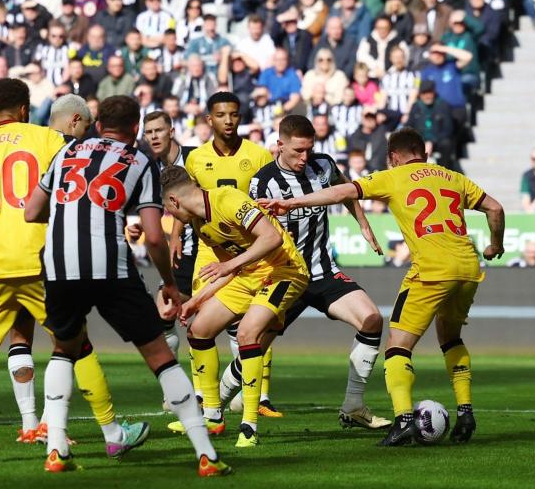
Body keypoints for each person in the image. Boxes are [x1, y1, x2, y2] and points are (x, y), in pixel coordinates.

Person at [258, 127, 506, 446]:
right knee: (450, 338)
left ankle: (403, 420)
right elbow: (495, 208)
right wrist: (494, 245)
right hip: (469, 267)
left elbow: (341, 192)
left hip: (431, 269)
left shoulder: (393, 177)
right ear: (424, 154)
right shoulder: (452, 176)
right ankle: (466, 412)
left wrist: (292, 204)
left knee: (397, 346)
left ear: (392, 158)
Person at [24, 95, 230, 476]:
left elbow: (31, 211)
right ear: (135, 128)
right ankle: (206, 455)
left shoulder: (65, 154)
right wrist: (168, 282)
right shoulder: (140, 161)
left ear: (98, 123)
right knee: (159, 355)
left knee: (63, 349)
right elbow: (154, 236)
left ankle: (56, 451)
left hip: (59, 266)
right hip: (109, 267)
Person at [0, 79, 118, 464]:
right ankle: (114, 431)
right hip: (38, 257)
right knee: (75, 344)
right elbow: (76, 182)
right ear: (22, 110)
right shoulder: (46, 138)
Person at [220, 115, 391, 430]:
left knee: (372, 319)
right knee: (254, 344)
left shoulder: (323, 165)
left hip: (322, 271)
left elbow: (345, 190)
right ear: (279, 145)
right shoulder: (263, 181)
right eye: (298, 151)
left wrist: (364, 225)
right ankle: (214, 404)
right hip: (285, 275)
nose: (304, 158)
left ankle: (353, 405)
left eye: (309, 150)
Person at [160, 164, 309, 449]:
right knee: (199, 330)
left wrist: (230, 265)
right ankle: (213, 416)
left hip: (284, 271)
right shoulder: (199, 225)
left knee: (246, 334)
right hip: (248, 275)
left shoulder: (228, 199)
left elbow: (272, 237)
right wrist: (195, 302)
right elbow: (227, 270)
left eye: (169, 210)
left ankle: (250, 426)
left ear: (174, 201)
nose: (172, 216)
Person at [179, 92, 281, 420]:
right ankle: (203, 396)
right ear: (209, 119)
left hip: (251, 249)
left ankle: (260, 396)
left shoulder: (260, 155)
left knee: (252, 321)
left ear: (240, 117)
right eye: (221, 115)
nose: (228, 121)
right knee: (201, 322)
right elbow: (182, 204)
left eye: (234, 115)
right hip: (209, 249)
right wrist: (173, 240)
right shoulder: (195, 159)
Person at [142, 111, 199, 362]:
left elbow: (195, 200)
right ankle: (173, 392)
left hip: (213, 248)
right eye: (149, 132)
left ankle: (251, 394)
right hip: (184, 254)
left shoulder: (196, 158)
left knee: (235, 323)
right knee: (164, 312)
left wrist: (175, 233)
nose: (154, 136)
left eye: (159, 130)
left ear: (171, 132)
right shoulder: (149, 168)